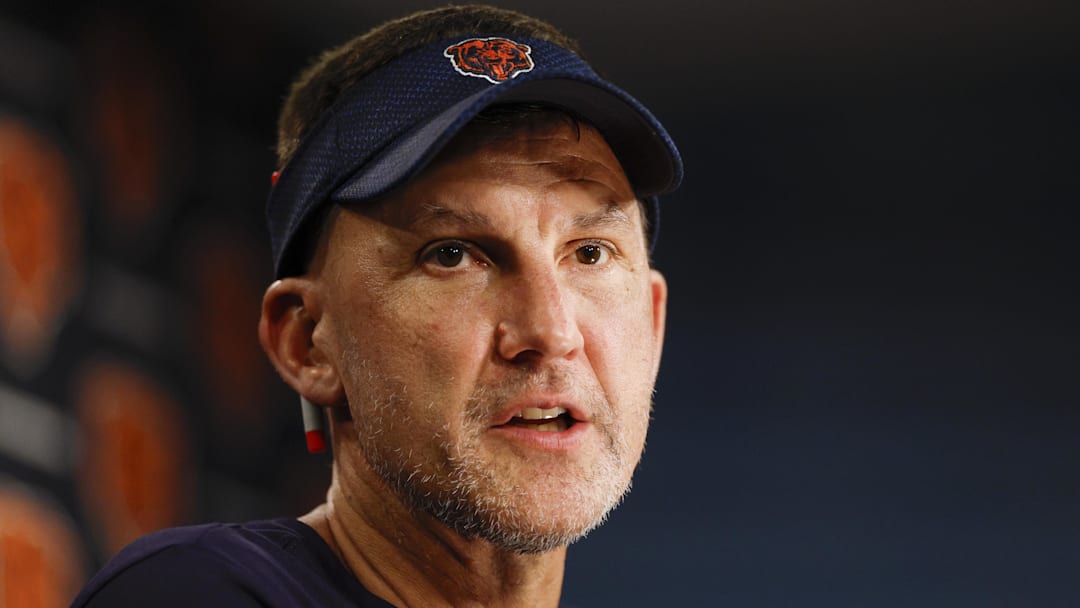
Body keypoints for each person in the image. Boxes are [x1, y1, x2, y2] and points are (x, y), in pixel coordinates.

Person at [72, 4, 682, 606]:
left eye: (592, 253)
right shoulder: (193, 592)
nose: (550, 330)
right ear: (307, 341)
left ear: (652, 327)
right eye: (451, 254)